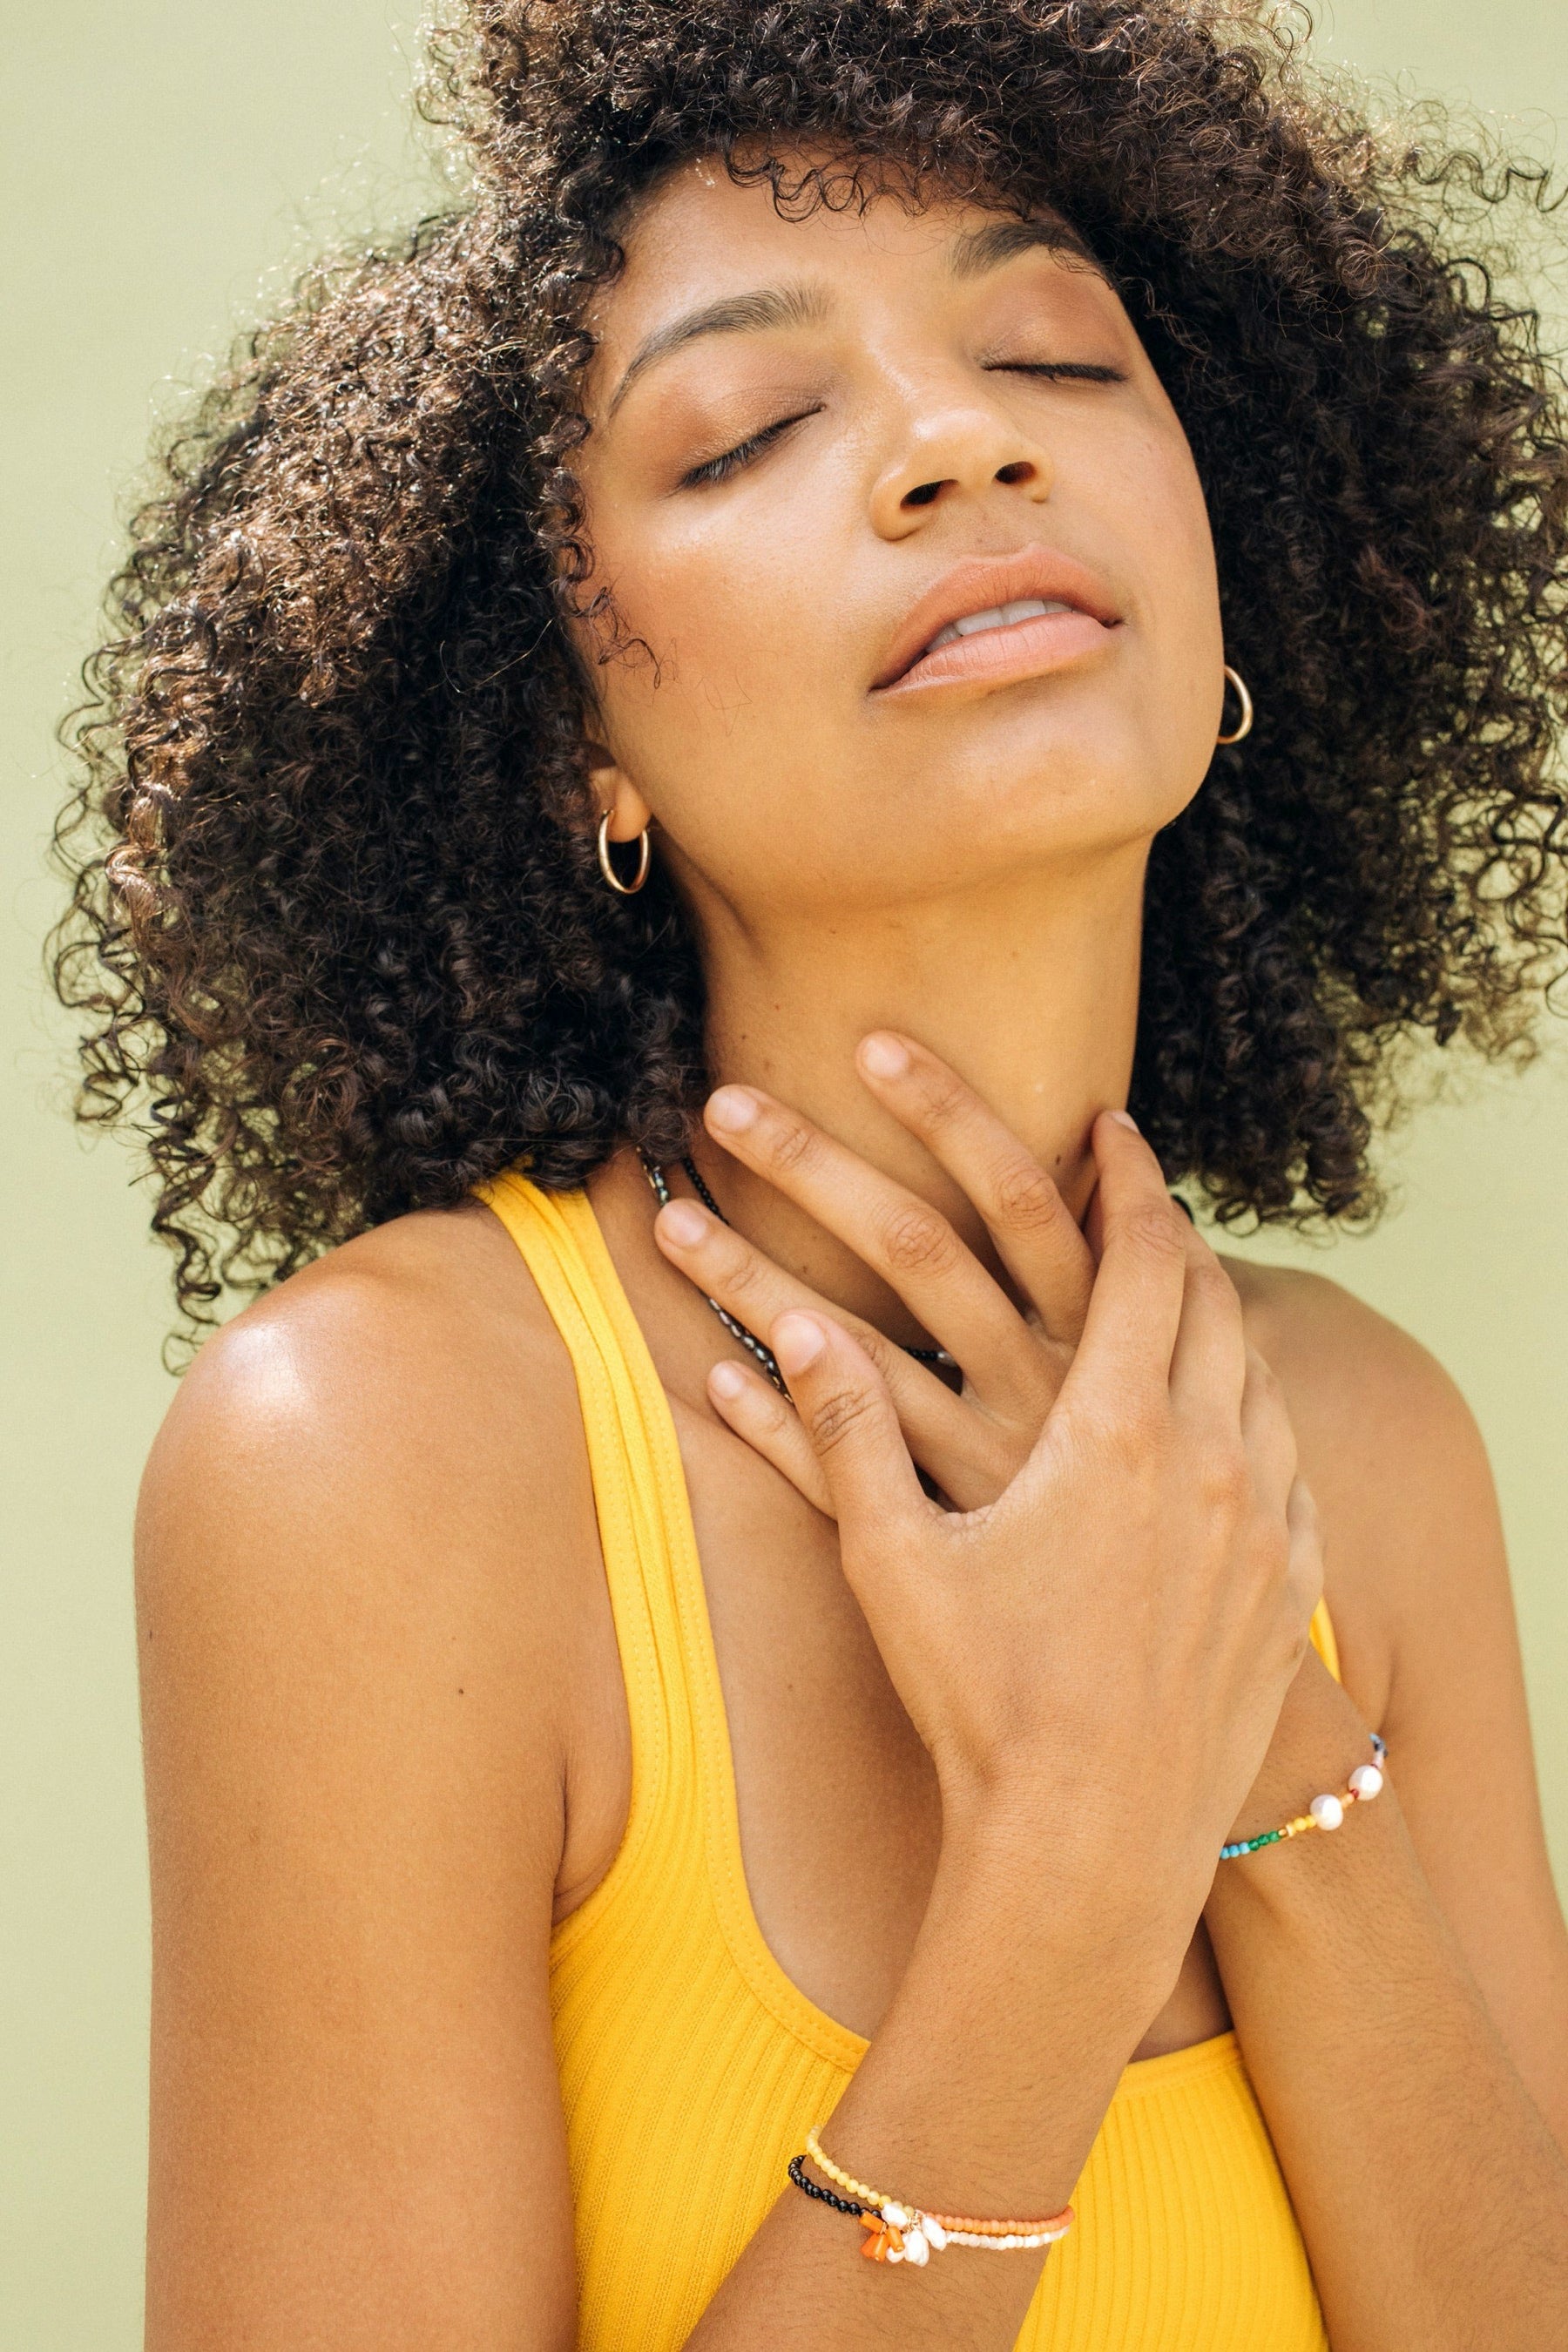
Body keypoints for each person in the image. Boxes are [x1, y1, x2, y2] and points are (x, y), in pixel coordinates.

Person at [53, 3, 1568, 2346]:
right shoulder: (379, 1467)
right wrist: (1080, 1846)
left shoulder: (1363, 1449)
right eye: (753, 428)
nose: (960, 444)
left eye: (1058, 354)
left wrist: (1252, 1707)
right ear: (578, 745)